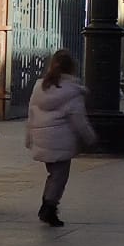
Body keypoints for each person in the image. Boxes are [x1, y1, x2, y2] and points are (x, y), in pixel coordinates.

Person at [25, 49, 95, 227]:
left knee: (53, 174)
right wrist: (90, 138)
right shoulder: (73, 91)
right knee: (59, 176)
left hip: (41, 138)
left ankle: (47, 204)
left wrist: (29, 137)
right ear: (72, 68)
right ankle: (49, 207)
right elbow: (78, 118)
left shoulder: (40, 87)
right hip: (60, 140)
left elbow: (31, 114)